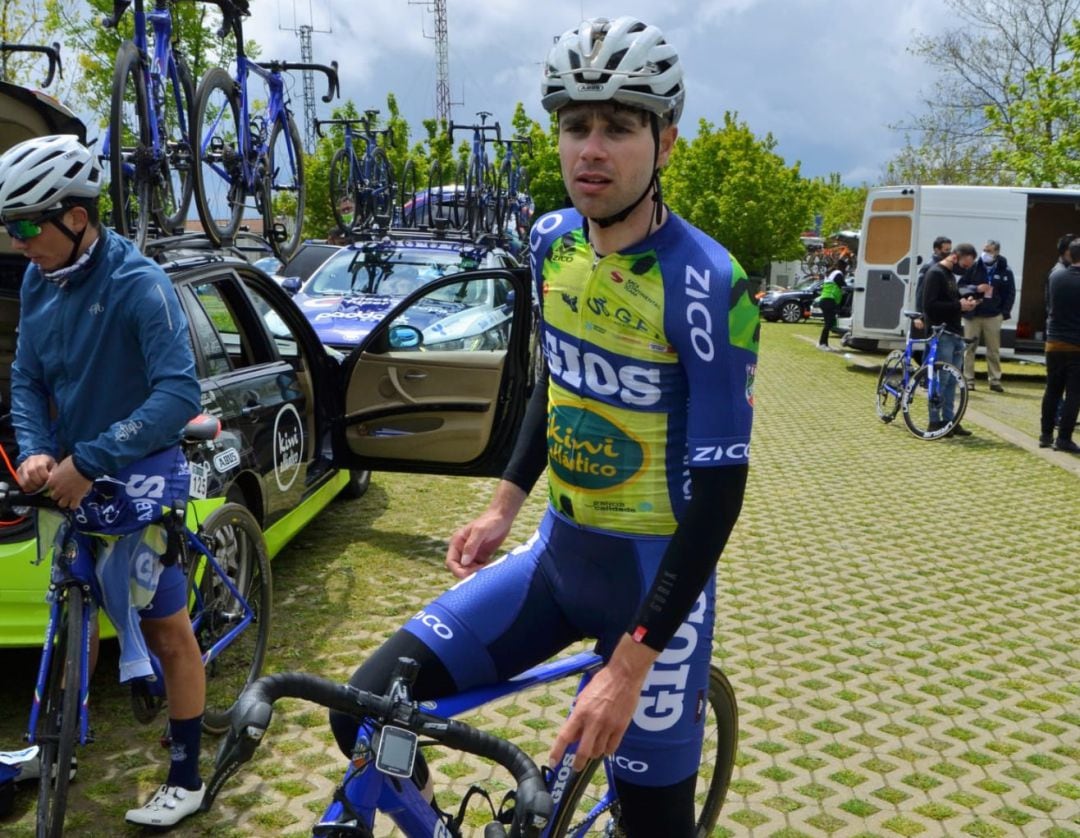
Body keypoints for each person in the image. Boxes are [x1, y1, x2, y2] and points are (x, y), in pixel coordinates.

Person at [327, 17, 757, 836]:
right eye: (574, 125)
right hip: (558, 561)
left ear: (665, 141)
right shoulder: (549, 240)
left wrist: (630, 668)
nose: (591, 149)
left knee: (654, 828)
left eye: (619, 126)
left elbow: (721, 495)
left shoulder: (709, 281)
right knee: (362, 710)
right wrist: (500, 508)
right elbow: (552, 384)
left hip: (657, 588)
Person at [0, 135, 206, 826]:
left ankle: (187, 773)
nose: (17, 240)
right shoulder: (38, 279)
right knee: (73, 617)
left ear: (78, 218)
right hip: (69, 474)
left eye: (27, 224)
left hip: (135, 472)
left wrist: (90, 459)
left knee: (169, 626)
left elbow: (178, 393)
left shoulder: (138, 285)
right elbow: (27, 377)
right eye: (8, 226)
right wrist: (33, 449)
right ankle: (55, 743)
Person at [921, 242, 979, 436]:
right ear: (955, 257)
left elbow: (952, 303)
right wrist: (958, 306)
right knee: (942, 378)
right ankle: (934, 420)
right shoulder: (935, 273)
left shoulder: (950, 276)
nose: (965, 270)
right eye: (964, 265)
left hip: (954, 333)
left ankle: (950, 420)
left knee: (953, 380)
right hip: (941, 333)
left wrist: (966, 303)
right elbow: (930, 306)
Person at [1040, 238, 1080, 453]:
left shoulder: (1056, 275)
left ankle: (1045, 434)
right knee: (1074, 393)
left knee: (1052, 390)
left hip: (1054, 343)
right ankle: (1064, 438)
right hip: (1076, 345)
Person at [962, 239, 1015, 392]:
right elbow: (961, 287)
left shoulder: (1005, 270)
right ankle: (968, 380)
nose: (986, 253)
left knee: (993, 350)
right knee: (969, 348)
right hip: (973, 314)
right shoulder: (973, 266)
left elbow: (1010, 293)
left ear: (997, 252)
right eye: (984, 249)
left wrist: (1003, 313)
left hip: (993, 315)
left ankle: (995, 380)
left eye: (989, 251)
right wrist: (975, 288)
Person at [817, 257, 848, 349]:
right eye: (845, 268)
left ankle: (824, 344)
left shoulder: (831, 274)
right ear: (842, 267)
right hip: (829, 300)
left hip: (825, 300)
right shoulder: (838, 274)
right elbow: (844, 286)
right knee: (829, 323)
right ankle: (822, 344)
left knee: (828, 323)